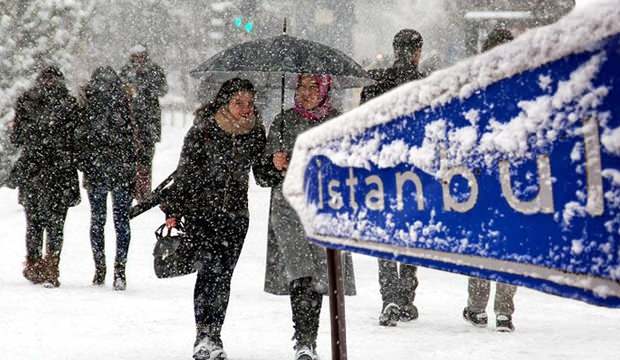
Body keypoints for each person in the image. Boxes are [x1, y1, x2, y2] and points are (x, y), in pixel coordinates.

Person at [160, 78, 268, 360]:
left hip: (236, 217)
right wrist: (173, 210)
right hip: (202, 214)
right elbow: (184, 173)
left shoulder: (255, 132)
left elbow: (263, 176)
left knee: (224, 277)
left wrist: (276, 164)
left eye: (249, 103)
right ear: (225, 102)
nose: (245, 109)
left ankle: (215, 333)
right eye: (238, 103)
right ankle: (204, 334)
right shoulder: (204, 130)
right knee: (209, 272)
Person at [262, 74, 356, 360]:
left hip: (324, 209)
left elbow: (351, 167)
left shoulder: (338, 123)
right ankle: (304, 341)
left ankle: (310, 339)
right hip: (288, 210)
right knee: (301, 274)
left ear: (326, 89)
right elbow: (262, 175)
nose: (306, 93)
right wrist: (273, 163)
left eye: (313, 87)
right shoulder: (283, 122)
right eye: (301, 86)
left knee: (320, 276)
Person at [360, 29, 426, 327]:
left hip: (382, 170)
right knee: (411, 234)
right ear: (416, 52)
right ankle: (406, 298)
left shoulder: (375, 83)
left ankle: (389, 297)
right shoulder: (425, 85)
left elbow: (362, 126)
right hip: (414, 171)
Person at [463, 27, 517, 333]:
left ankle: (477, 308)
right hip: (511, 176)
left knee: (481, 243)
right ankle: (504, 312)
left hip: (481, 175)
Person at [9, 65, 81, 288]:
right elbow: (76, 139)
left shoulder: (27, 101)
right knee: (56, 223)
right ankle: (52, 266)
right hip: (60, 171)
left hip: (33, 169)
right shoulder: (69, 104)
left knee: (33, 222)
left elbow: (16, 137)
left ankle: (33, 264)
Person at [77, 66, 137, 290]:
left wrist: (86, 165)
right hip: (120, 170)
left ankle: (99, 268)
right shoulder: (124, 102)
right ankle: (119, 270)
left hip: (97, 171)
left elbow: (81, 139)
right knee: (121, 222)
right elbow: (132, 141)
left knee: (97, 221)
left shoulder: (88, 104)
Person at [119, 44, 168, 202]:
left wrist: (147, 87)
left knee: (146, 159)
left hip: (149, 121)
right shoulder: (126, 71)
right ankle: (132, 190)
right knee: (131, 159)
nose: (139, 59)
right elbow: (119, 91)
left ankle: (144, 192)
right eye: (136, 56)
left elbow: (163, 89)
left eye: (141, 56)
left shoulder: (154, 70)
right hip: (130, 121)